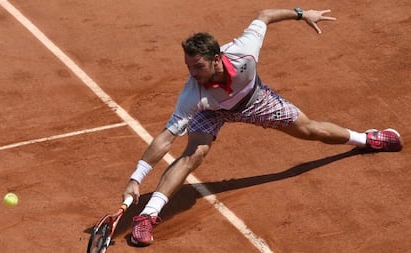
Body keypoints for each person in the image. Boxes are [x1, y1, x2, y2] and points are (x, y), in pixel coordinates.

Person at [123, 7, 403, 246]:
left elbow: (265, 15)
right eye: (188, 66)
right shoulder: (192, 93)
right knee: (193, 154)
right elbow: (167, 137)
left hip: (255, 101)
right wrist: (137, 177)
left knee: (310, 130)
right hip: (211, 111)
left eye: (197, 67)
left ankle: (366, 139)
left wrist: (302, 14)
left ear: (217, 59)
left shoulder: (244, 50)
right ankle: (147, 215)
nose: (191, 74)